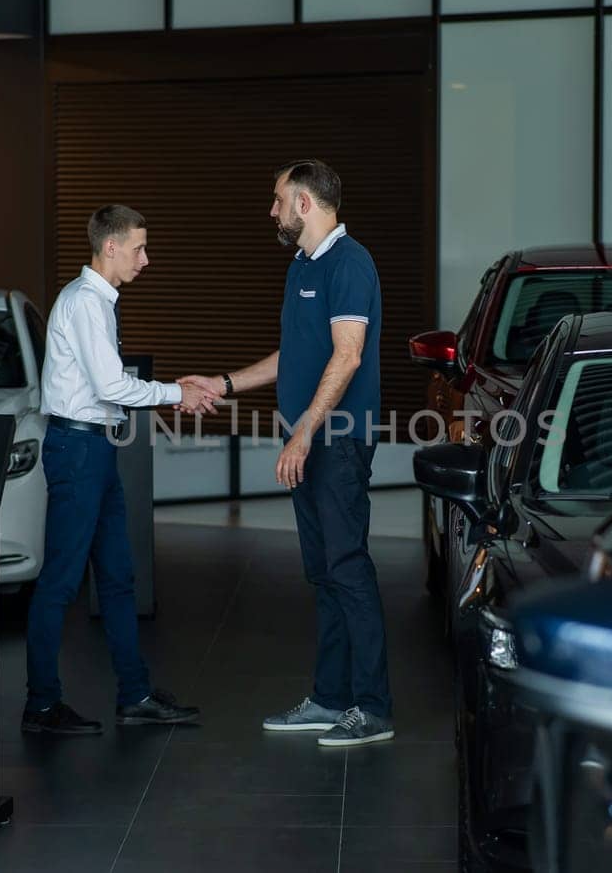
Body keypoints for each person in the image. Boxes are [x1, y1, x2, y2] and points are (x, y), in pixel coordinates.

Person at [182, 160, 393, 747]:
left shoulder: (351, 264)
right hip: (308, 440)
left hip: (338, 441)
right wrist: (222, 384)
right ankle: (331, 698)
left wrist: (304, 431)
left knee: (349, 570)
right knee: (324, 573)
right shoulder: (302, 265)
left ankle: (373, 708)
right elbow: (294, 355)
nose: (271, 210)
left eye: (277, 200)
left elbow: (347, 357)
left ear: (304, 202)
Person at [23, 204, 216, 735]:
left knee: (117, 578)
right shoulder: (87, 303)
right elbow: (111, 388)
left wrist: (176, 392)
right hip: (79, 451)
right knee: (61, 582)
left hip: (95, 451)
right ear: (110, 247)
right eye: (138, 249)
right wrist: (180, 392)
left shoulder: (96, 301)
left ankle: (134, 694)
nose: (145, 259)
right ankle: (41, 705)